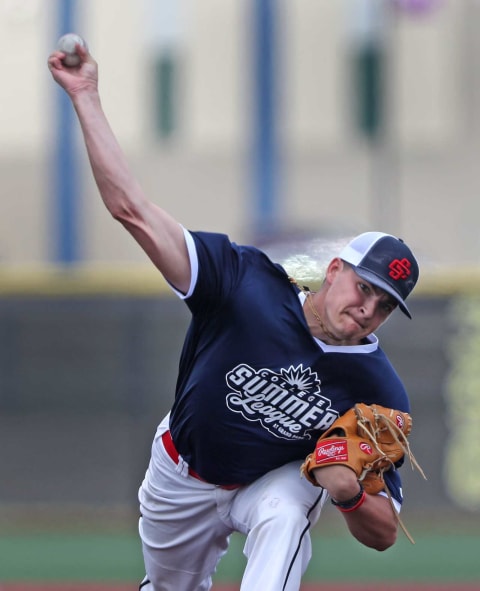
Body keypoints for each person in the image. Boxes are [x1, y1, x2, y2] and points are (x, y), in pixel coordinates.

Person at [48, 42, 420, 591]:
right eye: (365, 287)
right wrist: (86, 97)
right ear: (334, 269)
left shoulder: (376, 389)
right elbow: (132, 210)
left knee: (291, 507)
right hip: (182, 473)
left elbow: (385, 533)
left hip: (267, 484)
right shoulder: (244, 284)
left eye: (387, 303)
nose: (369, 308)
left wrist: (350, 492)